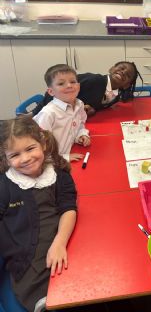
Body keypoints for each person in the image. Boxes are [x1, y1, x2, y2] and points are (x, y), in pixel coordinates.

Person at [0, 116, 77, 312]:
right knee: (45, 291)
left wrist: (60, 242)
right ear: (6, 158)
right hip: (26, 258)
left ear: (42, 143)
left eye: (30, 149)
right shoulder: (4, 185)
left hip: (63, 243)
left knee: (79, 280)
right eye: (15, 155)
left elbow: (69, 208)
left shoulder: (59, 175)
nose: (25, 158)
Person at [32, 61, 138, 117]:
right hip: (53, 116)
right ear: (111, 69)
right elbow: (55, 91)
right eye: (122, 68)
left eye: (128, 75)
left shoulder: (116, 96)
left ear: (127, 85)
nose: (123, 72)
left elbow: (95, 105)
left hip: (76, 124)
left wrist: (93, 110)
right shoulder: (94, 80)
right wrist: (35, 112)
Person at [33, 64, 90, 162]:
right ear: (51, 92)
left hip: (71, 150)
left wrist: (81, 135)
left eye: (73, 82)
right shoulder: (48, 114)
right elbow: (37, 146)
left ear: (79, 86)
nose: (69, 85)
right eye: (61, 83)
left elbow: (80, 124)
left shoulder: (79, 104)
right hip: (52, 162)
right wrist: (63, 158)